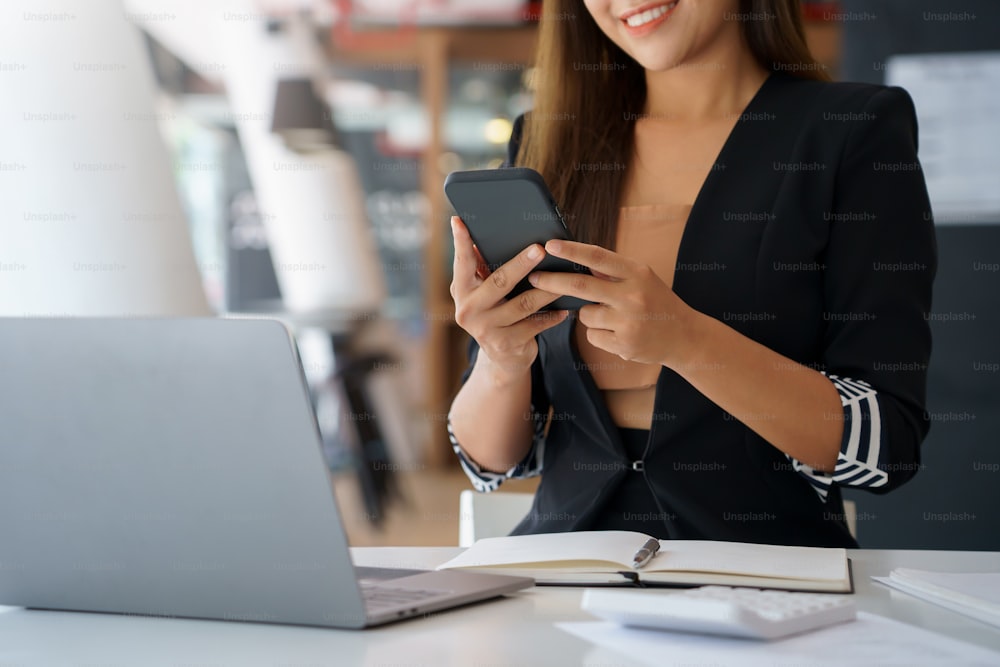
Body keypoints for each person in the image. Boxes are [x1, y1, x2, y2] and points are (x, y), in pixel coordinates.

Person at [447, 0, 936, 547]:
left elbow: (886, 448)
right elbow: (490, 463)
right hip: (564, 579)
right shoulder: (548, 140)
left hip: (761, 586)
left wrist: (685, 339)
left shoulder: (851, 130)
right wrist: (500, 360)